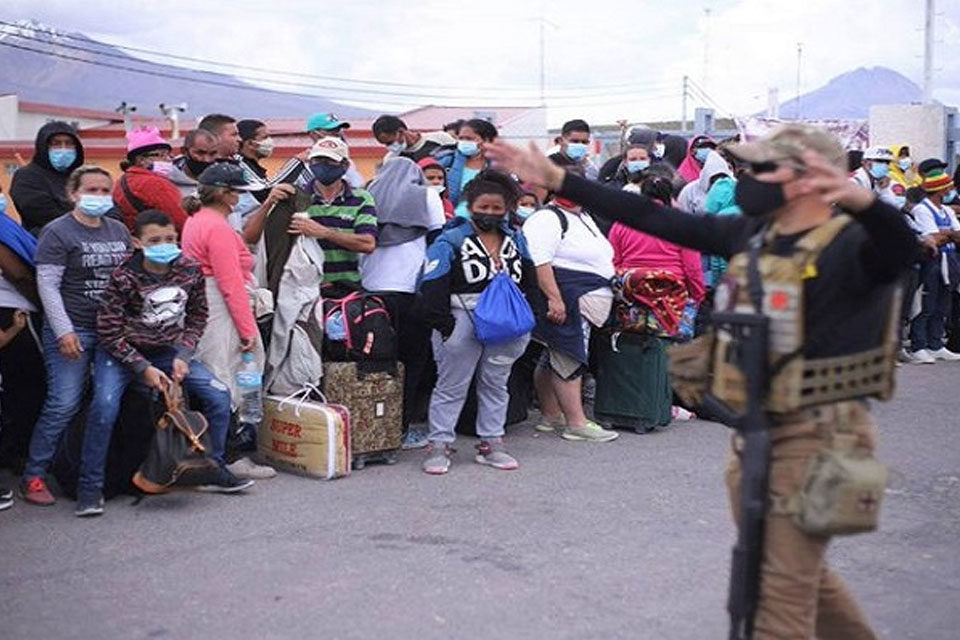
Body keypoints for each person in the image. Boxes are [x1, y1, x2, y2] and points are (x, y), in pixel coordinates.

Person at [486, 122, 918, 640]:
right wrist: (560, 179)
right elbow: (650, 215)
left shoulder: (854, 247)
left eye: (762, 169)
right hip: (755, 431)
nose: (745, 177)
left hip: (819, 437)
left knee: (775, 591)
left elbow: (902, 249)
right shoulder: (755, 233)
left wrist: (862, 202)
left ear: (811, 179)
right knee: (794, 570)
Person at [77, 210, 253, 516]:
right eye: (155, 240)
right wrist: (140, 367)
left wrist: (184, 355)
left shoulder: (189, 270)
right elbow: (108, 330)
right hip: (121, 352)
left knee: (218, 395)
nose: (164, 245)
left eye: (170, 239)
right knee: (105, 407)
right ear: (137, 242)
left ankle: (213, 469)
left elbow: (198, 316)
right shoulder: (123, 276)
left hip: (168, 349)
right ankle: (89, 488)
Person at [19, 166, 131, 507]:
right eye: (91, 190)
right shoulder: (58, 232)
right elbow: (48, 285)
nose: (98, 196)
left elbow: (127, 281)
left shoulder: (119, 230)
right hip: (73, 330)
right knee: (63, 403)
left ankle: (109, 472)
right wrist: (64, 331)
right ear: (72, 194)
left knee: (107, 402)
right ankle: (34, 475)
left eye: (104, 190)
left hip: (112, 331)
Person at [418, 171, 538, 474]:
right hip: (461, 317)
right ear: (470, 206)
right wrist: (445, 325)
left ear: (507, 208)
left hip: (508, 323)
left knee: (497, 383)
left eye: (498, 208)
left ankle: (492, 441)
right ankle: (439, 443)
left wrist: (531, 316)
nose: (490, 213)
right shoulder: (450, 239)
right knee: (451, 385)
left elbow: (531, 278)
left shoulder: (516, 239)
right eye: (483, 207)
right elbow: (432, 283)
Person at [181, 163, 275, 480]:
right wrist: (248, 330)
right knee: (230, 380)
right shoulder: (217, 227)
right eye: (236, 191)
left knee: (218, 378)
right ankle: (229, 455)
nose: (239, 197)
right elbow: (230, 283)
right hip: (220, 307)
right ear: (224, 193)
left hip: (206, 304)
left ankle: (219, 454)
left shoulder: (196, 221)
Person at [598, 174, 705, 431]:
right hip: (670, 299)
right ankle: (661, 402)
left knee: (630, 346)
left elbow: (613, 260)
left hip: (631, 296)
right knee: (664, 351)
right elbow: (692, 268)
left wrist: (634, 281)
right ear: (669, 198)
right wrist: (697, 295)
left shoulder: (623, 223)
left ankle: (629, 402)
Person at [522, 174, 619, 443]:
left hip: (583, 295)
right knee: (569, 356)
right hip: (567, 297)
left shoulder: (582, 215)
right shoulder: (546, 218)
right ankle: (576, 422)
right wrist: (555, 298)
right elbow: (540, 263)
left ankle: (552, 415)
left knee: (551, 357)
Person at [363, 157, 446, 448]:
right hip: (411, 292)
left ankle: (370, 428)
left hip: (369, 293)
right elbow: (438, 239)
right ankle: (402, 428)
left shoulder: (368, 194)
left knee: (376, 363)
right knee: (411, 363)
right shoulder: (427, 195)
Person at [286, 137, 378, 294]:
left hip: (347, 288)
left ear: (345, 165)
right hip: (302, 289)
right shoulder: (295, 196)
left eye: (330, 161)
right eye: (317, 160)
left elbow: (367, 244)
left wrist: (324, 232)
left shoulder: (361, 198)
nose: (322, 165)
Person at [0, 187, 44, 472]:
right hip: (12, 310)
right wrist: (40, 301)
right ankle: (16, 453)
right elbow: (16, 272)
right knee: (28, 383)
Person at [905, 167, 960, 363]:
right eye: (946, 188)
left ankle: (935, 343)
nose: (949, 191)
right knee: (926, 304)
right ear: (940, 190)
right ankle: (919, 345)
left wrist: (946, 234)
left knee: (942, 304)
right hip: (931, 261)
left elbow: (954, 235)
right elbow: (932, 238)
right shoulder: (922, 209)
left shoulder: (945, 210)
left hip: (949, 259)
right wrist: (948, 234)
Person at [9, 121, 85, 235]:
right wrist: (88, 220)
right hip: (46, 243)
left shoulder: (83, 175)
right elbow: (45, 215)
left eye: (69, 143)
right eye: (56, 144)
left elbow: (109, 208)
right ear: (43, 146)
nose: (63, 149)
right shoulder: (26, 177)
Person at [113, 127, 189, 231]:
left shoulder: (122, 180)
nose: (168, 159)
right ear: (141, 160)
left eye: (168, 154)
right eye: (161, 155)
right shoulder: (155, 183)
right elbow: (181, 220)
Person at [448, 118, 497, 216]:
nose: (464, 142)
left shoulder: (498, 167)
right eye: (461, 138)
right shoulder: (448, 162)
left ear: (486, 140)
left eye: (469, 139)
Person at [305, 113, 364, 188]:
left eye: (338, 129)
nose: (337, 133)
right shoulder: (304, 163)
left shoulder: (346, 161)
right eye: (331, 130)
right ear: (314, 134)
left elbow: (358, 186)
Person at [372, 115, 457, 165]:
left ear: (401, 132)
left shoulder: (441, 139)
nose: (389, 147)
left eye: (390, 142)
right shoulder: (391, 159)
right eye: (385, 144)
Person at [676, 148, 731, 215]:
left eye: (722, 178)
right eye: (714, 179)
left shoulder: (733, 190)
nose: (718, 183)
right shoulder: (689, 191)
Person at [170, 129, 220, 197]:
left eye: (212, 154)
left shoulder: (226, 181)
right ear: (184, 151)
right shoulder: (167, 181)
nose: (207, 160)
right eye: (200, 153)